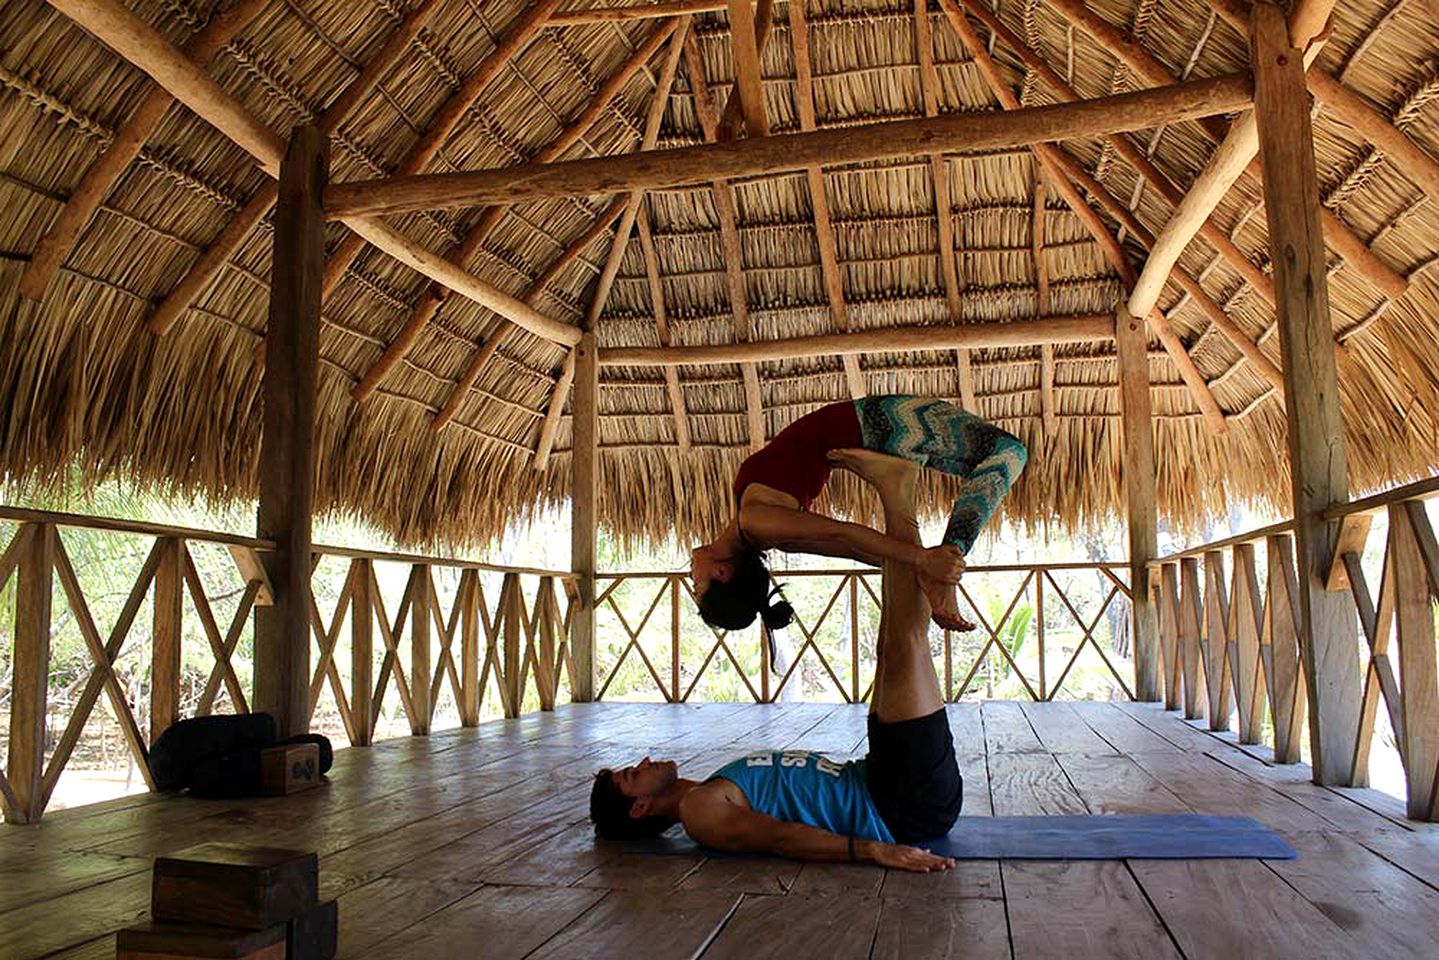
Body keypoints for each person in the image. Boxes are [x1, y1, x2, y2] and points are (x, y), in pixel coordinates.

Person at [591, 451, 961, 872]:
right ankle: (899, 490)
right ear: (640, 808)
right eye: (631, 776)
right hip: (898, 808)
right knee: (904, 646)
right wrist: (872, 850)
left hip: (879, 780)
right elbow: (779, 838)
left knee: (895, 644)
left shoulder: (708, 789)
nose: (642, 763)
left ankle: (903, 505)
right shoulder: (699, 812)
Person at [690, 394, 1027, 633]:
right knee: (1009, 452)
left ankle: (943, 567)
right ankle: (950, 559)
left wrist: (919, 561)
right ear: (722, 573)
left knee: (998, 456)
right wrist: (922, 561)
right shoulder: (759, 525)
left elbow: (850, 544)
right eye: (696, 585)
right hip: (877, 424)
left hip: (872, 430)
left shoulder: (761, 529)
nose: (691, 576)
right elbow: (847, 539)